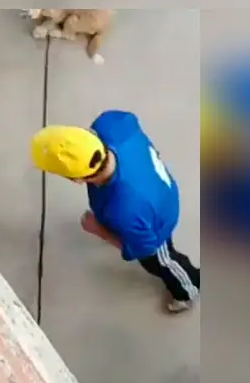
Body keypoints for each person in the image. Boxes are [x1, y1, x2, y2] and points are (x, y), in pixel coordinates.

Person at [30, 110, 200, 313]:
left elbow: (144, 248)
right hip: (153, 189)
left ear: (76, 180)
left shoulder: (125, 211)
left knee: (164, 261)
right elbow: (131, 120)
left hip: (158, 221)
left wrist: (99, 230)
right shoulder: (111, 123)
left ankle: (188, 290)